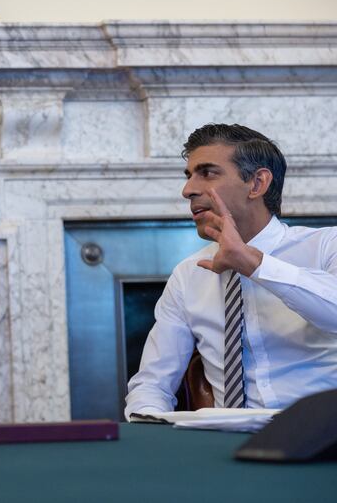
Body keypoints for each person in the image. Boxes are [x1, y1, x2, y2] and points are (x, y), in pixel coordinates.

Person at [125, 123, 337, 417]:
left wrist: (252, 263)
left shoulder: (326, 245)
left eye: (207, 172)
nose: (188, 190)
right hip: (224, 443)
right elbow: (151, 385)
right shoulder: (188, 275)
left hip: (321, 439)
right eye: (189, 176)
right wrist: (147, 424)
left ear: (257, 183)